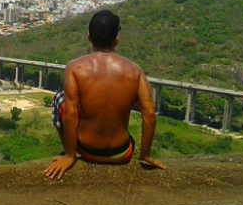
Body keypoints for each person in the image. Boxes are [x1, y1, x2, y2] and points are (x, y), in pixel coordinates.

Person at [45, 10, 166, 180]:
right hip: (122, 153)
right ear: (116, 39)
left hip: (86, 151)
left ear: (89, 37)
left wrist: (70, 156)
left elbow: (70, 114)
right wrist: (145, 155)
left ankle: (69, 152)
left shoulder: (75, 67)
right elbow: (150, 113)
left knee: (60, 98)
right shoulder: (135, 71)